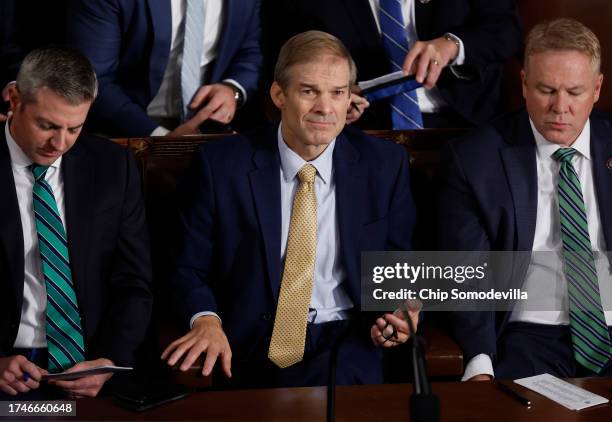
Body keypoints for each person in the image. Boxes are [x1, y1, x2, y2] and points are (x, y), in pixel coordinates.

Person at [161, 31, 419, 388]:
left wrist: (401, 312)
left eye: (338, 93)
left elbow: (399, 265)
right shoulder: (221, 166)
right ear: (279, 95)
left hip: (350, 339)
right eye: (309, 91)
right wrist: (206, 320)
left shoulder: (384, 165)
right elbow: (186, 268)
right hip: (251, 342)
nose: (325, 108)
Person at [439, 18, 612, 380]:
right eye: (546, 90)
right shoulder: (475, 159)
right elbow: (466, 271)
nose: (559, 107)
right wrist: (479, 361)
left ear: (597, 89)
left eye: (575, 92)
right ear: (523, 84)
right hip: (530, 337)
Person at [0, 47, 152, 398]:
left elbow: (134, 281)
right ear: (14, 98)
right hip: (11, 371)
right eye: (47, 125)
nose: (60, 143)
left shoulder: (115, 167)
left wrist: (109, 361)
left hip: (91, 369)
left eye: (75, 128)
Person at [270, 0, 521, 129]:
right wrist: (333, 98)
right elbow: (290, 59)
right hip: (364, 128)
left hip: (465, 122)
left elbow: (507, 31)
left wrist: (453, 45)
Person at [66, 0, 263, 137]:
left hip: (212, 131)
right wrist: (159, 137)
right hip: (125, 130)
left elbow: (249, 50)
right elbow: (93, 78)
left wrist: (232, 90)